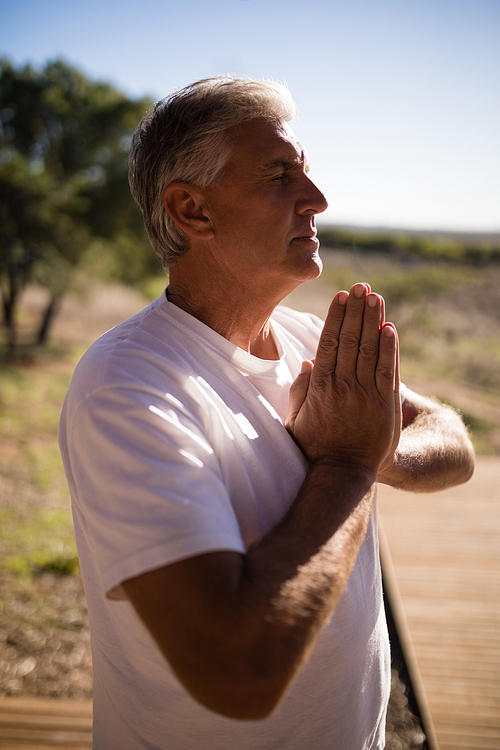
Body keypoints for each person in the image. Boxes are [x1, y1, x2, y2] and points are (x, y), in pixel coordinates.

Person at [59, 77, 475, 750]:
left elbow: (454, 442)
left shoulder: (312, 338)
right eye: (281, 176)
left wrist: (378, 449)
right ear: (193, 210)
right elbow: (237, 674)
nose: (317, 201)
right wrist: (344, 464)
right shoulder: (129, 387)